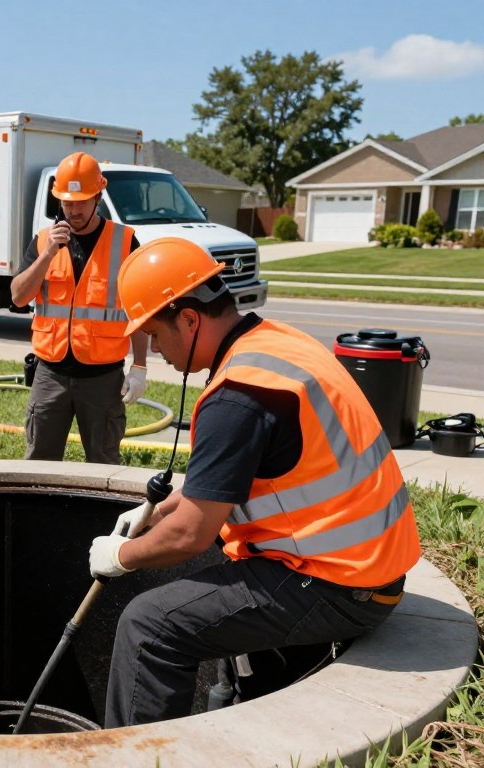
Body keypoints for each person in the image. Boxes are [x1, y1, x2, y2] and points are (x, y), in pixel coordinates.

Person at [88, 237, 422, 727]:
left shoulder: (238, 396)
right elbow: (239, 475)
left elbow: (190, 536)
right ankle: (236, 698)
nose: (154, 350)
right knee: (212, 578)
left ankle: (135, 757)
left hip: (340, 586)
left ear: (188, 317)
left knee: (148, 626)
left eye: (155, 335)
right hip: (367, 569)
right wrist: (159, 510)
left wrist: (119, 556)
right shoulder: (273, 343)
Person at [10, 151, 148, 464]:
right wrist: (47, 255)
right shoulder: (44, 240)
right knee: (39, 461)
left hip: (102, 378)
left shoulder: (124, 243)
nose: (73, 210)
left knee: (103, 461)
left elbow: (138, 310)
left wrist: (139, 366)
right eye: (67, 202)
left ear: (98, 196)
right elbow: (18, 297)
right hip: (50, 373)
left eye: (82, 201)